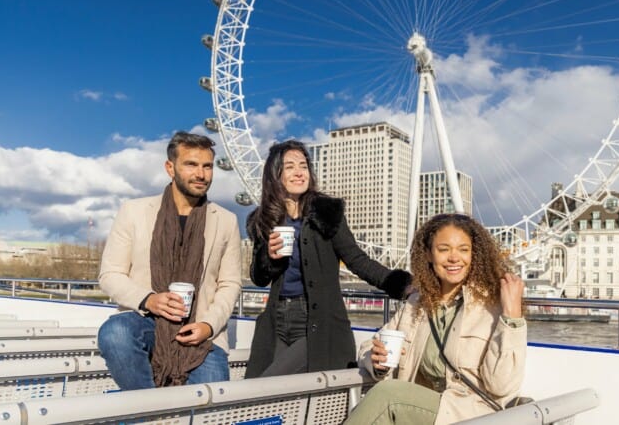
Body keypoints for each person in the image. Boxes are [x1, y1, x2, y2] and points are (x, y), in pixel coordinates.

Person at [244, 140, 412, 378]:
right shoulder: (263, 219)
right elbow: (258, 278)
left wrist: (404, 285)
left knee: (265, 385)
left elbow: (356, 259)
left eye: (303, 165)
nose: (299, 172)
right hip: (276, 319)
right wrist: (269, 257)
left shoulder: (326, 212)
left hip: (315, 319)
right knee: (277, 398)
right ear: (274, 174)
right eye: (290, 166)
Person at [346, 213, 526, 425]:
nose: (454, 258)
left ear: (474, 255)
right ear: (429, 255)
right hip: (421, 411)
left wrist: (512, 319)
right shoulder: (417, 304)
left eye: (463, 249)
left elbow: (501, 386)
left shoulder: (492, 307)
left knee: (387, 397)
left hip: (470, 413)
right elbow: (371, 345)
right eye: (443, 249)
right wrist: (377, 362)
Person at [97, 131, 242, 389]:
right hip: (147, 321)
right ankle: (151, 412)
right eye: (191, 164)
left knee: (213, 406)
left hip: (199, 330)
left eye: (207, 166)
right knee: (115, 332)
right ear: (170, 168)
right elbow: (110, 275)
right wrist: (149, 300)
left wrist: (208, 326)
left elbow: (230, 284)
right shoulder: (134, 212)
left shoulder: (226, 220)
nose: (201, 174)